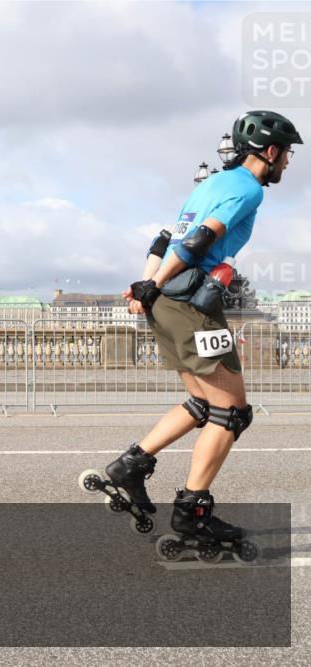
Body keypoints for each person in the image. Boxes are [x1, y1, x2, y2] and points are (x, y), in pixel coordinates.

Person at [105, 111, 301, 541]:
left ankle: (130, 465)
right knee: (231, 413)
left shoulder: (210, 183)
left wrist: (147, 286)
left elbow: (165, 239)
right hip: (190, 304)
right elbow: (199, 241)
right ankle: (192, 513)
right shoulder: (249, 189)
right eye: (286, 154)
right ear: (270, 152)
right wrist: (152, 286)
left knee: (200, 403)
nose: (287, 163)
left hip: (168, 303)